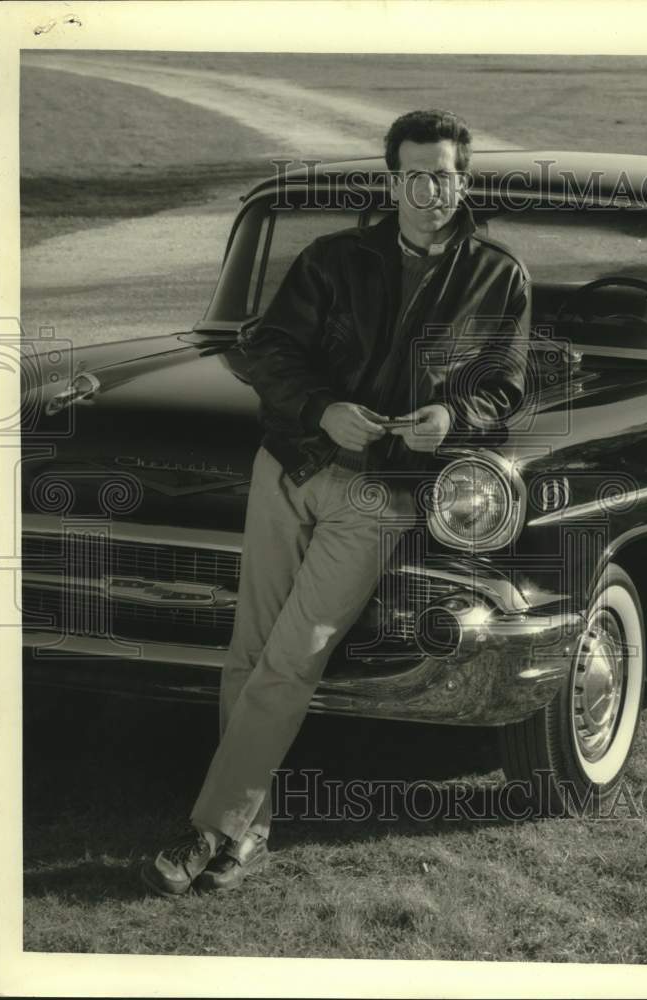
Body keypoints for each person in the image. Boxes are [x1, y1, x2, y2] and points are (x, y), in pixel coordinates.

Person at [141, 109, 531, 897]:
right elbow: (265, 350)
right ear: (392, 180)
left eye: (445, 175)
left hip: (378, 491)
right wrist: (322, 409)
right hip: (288, 464)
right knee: (249, 651)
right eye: (414, 174)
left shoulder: (499, 276)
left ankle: (208, 829)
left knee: (294, 655)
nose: (430, 191)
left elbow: (506, 388)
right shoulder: (333, 259)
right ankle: (245, 829)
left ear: (466, 179)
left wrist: (452, 418)